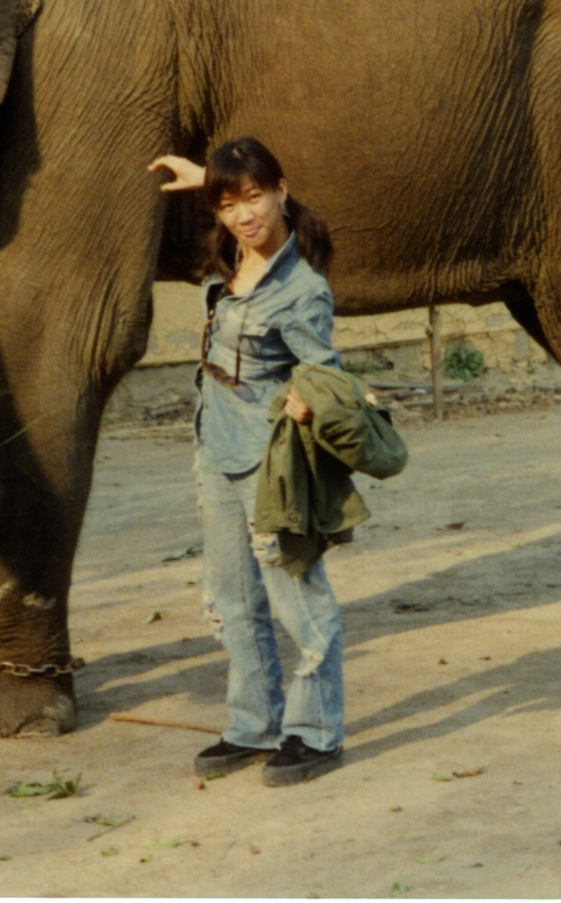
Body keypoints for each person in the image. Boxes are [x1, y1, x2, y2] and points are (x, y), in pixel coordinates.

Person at [149, 137, 348, 786]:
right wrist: (210, 177)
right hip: (214, 452)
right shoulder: (230, 259)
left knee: (298, 599)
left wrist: (303, 401)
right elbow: (240, 196)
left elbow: (326, 377)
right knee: (232, 600)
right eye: (228, 203)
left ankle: (316, 733)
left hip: (269, 466)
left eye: (255, 196)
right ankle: (254, 724)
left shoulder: (302, 288)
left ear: (282, 191)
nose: (243, 214)